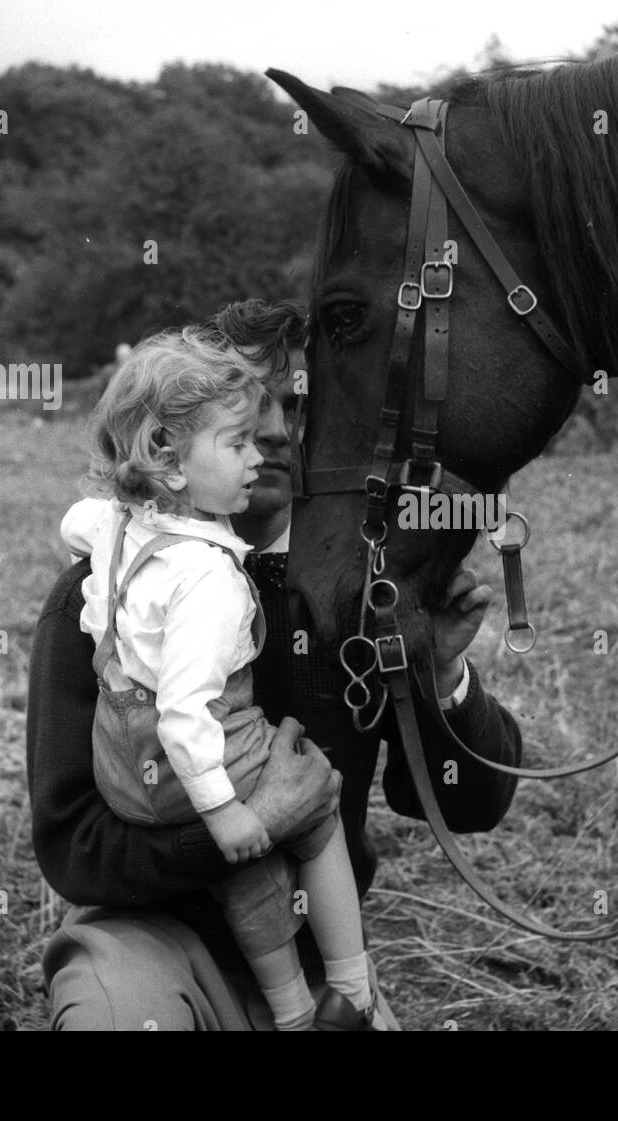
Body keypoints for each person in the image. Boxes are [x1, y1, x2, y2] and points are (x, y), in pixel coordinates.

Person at [27, 298, 524, 1030]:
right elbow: (74, 847)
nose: (270, 430)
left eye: (293, 403)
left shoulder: (363, 595)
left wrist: (440, 676)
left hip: (316, 964)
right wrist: (249, 822)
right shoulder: (104, 595)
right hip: (150, 938)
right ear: (179, 439)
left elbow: (472, 804)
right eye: (245, 409)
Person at [59, 326, 379, 1030]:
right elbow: (183, 709)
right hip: (187, 755)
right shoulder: (211, 577)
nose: (258, 454)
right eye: (236, 443)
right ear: (171, 464)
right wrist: (231, 813)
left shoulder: (121, 526)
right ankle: (352, 989)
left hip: (126, 763)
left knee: (249, 873)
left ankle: (293, 1013)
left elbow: (76, 522)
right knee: (315, 805)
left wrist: (101, 523)